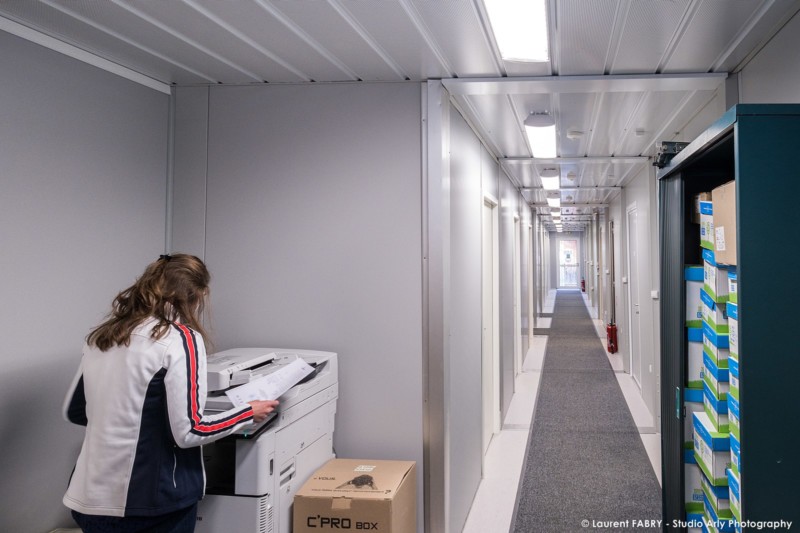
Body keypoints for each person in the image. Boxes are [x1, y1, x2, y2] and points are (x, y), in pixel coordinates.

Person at [62, 253, 277, 532]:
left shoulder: (104, 335)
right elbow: (192, 430)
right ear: (197, 295)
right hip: (150, 503)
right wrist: (248, 411)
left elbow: (76, 411)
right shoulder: (180, 339)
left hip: (88, 498)